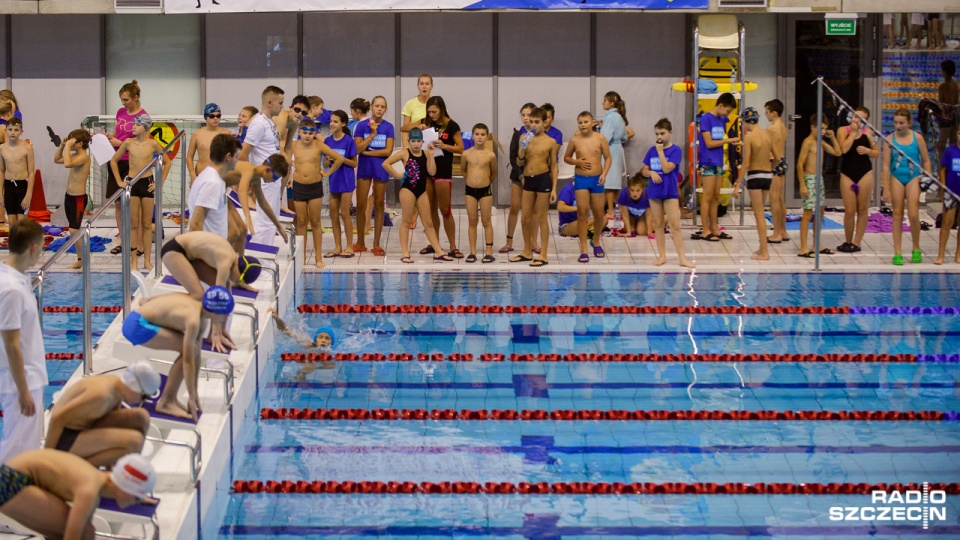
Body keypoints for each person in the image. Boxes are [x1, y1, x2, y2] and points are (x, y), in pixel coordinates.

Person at [123, 287, 234, 420]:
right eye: (224, 315)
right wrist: (191, 398)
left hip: (138, 319)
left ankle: (170, 399)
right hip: (136, 325)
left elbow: (196, 356)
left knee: (192, 349)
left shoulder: (201, 313)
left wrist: (195, 392)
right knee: (187, 350)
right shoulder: (193, 320)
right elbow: (188, 360)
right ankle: (166, 402)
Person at [0, 450, 156, 539]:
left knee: (74, 534)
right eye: (136, 496)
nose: (137, 501)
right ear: (125, 487)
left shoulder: (98, 481)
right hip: (11, 481)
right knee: (86, 532)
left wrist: (140, 495)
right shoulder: (89, 490)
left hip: (15, 477)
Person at [44, 362, 158, 468]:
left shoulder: (117, 387)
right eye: (144, 397)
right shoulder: (101, 395)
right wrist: (47, 460)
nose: (142, 401)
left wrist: (109, 467)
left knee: (140, 417)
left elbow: (110, 422)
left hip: (85, 427)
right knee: (134, 442)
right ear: (136, 389)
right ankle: (78, 469)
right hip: (66, 438)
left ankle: (121, 470)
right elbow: (57, 418)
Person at [0, 220, 47, 465]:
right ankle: (9, 500)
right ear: (32, 249)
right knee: (18, 452)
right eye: (41, 248)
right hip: (21, 381)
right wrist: (23, 391)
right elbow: (11, 344)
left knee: (24, 449)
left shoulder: (14, 278)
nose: (41, 255)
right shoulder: (11, 289)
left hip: (26, 377)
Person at [110, 114, 172, 271]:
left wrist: (159, 183)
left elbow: (167, 162)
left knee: (146, 225)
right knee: (133, 224)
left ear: (146, 127)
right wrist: (119, 181)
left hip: (147, 183)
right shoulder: (128, 143)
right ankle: (133, 261)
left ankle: (147, 260)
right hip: (132, 183)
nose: (133, 127)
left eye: (136, 125)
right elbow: (113, 161)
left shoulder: (153, 144)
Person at [382, 127, 451, 263]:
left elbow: (432, 172)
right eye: (413, 141)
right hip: (407, 190)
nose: (416, 144)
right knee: (406, 222)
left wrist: (431, 156)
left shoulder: (426, 154)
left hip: (422, 191)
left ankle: (438, 251)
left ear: (422, 142)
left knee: (429, 223)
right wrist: (398, 175)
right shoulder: (404, 154)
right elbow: (386, 163)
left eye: (419, 141)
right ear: (409, 142)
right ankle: (405, 253)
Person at [640, 118, 694, 268]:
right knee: (657, 223)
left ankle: (682, 258)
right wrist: (650, 172)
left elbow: (666, 169)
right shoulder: (651, 150)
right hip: (655, 191)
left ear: (670, 133)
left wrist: (660, 152)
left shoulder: (676, 150)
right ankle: (662, 256)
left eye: (662, 133)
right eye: (657, 134)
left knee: (675, 224)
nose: (659, 137)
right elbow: (643, 170)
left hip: (670, 191)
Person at [290, 118, 343, 268]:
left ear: (315, 133)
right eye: (304, 132)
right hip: (299, 185)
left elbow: (338, 158)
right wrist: (289, 172)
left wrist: (328, 172)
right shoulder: (293, 145)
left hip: (315, 186)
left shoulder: (319, 145)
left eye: (310, 133)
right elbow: (283, 156)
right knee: (301, 221)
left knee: (315, 222)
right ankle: (302, 256)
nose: (307, 135)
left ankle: (318, 257)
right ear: (299, 132)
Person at [883, 108, 931, 266]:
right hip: (896, 177)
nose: (898, 126)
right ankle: (897, 252)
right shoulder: (889, 139)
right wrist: (886, 188)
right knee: (897, 214)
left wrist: (926, 179)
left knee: (914, 215)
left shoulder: (917, 138)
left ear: (909, 123)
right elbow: (885, 166)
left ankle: (916, 248)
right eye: (896, 122)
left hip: (913, 178)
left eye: (902, 123)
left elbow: (926, 160)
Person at [511, 107, 558, 267]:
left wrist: (554, 189)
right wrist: (522, 149)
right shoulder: (524, 137)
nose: (533, 125)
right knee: (525, 218)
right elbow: (518, 163)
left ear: (544, 122)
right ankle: (527, 251)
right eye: (531, 122)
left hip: (543, 179)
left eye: (536, 122)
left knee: (541, 217)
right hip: (528, 180)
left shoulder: (550, 142)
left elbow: (554, 166)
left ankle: (543, 254)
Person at [239, 86, 285, 247]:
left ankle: (264, 257)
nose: (282, 107)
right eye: (280, 103)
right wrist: (251, 178)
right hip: (264, 179)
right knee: (264, 223)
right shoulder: (258, 124)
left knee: (270, 222)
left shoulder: (268, 122)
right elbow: (243, 154)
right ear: (270, 102)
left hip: (272, 179)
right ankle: (261, 260)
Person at [564, 111, 611, 263]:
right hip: (581, 179)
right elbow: (566, 157)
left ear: (592, 123)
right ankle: (583, 249)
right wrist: (576, 162)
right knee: (582, 212)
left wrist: (604, 173)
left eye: (585, 122)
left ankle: (596, 242)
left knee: (598, 214)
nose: (583, 125)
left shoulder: (600, 138)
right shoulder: (575, 140)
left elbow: (608, 157)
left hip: (597, 179)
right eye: (580, 122)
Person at [419, 96, 463, 258]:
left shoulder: (452, 125)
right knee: (430, 210)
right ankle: (434, 244)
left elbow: (461, 148)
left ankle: (453, 246)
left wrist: (444, 146)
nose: (432, 115)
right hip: (428, 170)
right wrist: (419, 126)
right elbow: (405, 128)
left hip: (443, 172)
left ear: (442, 109)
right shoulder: (426, 123)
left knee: (445, 210)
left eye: (435, 112)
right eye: (429, 112)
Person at [107, 80, 147, 255]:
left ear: (136, 98)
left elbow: (144, 142)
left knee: (133, 205)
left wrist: (120, 142)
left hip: (132, 162)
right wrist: (110, 138)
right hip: (117, 159)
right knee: (118, 203)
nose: (123, 104)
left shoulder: (143, 116)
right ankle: (123, 241)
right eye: (121, 100)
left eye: (126, 100)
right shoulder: (120, 112)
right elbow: (117, 133)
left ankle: (138, 244)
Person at [353, 96, 395, 257]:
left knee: (378, 204)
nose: (379, 109)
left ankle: (376, 244)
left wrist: (368, 151)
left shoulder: (389, 127)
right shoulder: (362, 126)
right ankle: (360, 242)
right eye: (377, 106)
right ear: (371, 107)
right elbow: (357, 148)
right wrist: (371, 135)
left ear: (385, 109)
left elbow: (387, 151)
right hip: (364, 168)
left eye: (382, 106)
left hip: (380, 169)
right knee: (361, 204)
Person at [796, 116, 842, 258]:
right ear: (813, 127)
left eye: (825, 128)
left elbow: (838, 152)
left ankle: (816, 244)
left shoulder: (820, 142)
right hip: (809, 179)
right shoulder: (808, 142)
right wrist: (802, 185)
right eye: (821, 128)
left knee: (820, 211)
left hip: (819, 179)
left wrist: (833, 137)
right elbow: (799, 164)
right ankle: (803, 247)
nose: (823, 131)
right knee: (808, 213)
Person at [696, 93, 740, 242]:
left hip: (718, 162)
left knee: (716, 196)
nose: (728, 114)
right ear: (720, 106)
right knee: (707, 196)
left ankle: (714, 227)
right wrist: (728, 140)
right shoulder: (706, 119)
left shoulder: (722, 119)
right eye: (727, 111)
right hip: (708, 161)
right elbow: (709, 143)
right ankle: (705, 229)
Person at [836, 107, 879, 254]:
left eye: (860, 119)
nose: (856, 120)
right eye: (855, 116)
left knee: (862, 210)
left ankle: (856, 242)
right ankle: (847, 240)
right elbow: (843, 150)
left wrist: (868, 151)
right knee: (849, 210)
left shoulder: (868, 133)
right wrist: (853, 133)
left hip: (865, 173)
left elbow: (876, 153)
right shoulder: (843, 130)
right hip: (847, 172)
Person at [739, 107, 779, 261]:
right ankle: (762, 248)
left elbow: (746, 162)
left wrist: (737, 185)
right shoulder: (767, 134)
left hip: (755, 176)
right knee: (760, 212)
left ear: (745, 121)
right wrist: (771, 169)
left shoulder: (749, 137)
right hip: (767, 175)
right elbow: (777, 157)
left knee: (759, 215)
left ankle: (765, 253)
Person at [500, 102, 536, 254]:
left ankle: (534, 242)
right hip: (518, 176)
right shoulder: (517, 134)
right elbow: (513, 157)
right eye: (523, 115)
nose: (526, 118)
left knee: (533, 211)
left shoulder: (539, 134)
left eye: (529, 115)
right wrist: (521, 176)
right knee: (515, 207)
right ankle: (509, 241)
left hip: (534, 175)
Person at [54, 129, 93, 270]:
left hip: (78, 198)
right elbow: (57, 159)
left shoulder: (84, 157)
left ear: (80, 143)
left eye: (73, 141)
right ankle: (80, 260)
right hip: (69, 196)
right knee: (73, 230)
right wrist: (63, 145)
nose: (70, 142)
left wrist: (68, 147)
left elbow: (67, 164)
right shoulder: (75, 155)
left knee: (73, 230)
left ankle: (84, 260)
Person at [323, 110, 359, 259]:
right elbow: (325, 163)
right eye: (331, 121)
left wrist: (340, 159)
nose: (332, 124)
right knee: (333, 213)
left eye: (335, 121)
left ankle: (349, 246)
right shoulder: (327, 141)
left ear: (343, 124)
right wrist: (329, 160)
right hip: (334, 180)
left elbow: (354, 163)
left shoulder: (348, 141)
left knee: (344, 213)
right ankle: (338, 247)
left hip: (346, 179)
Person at [461, 123, 497, 263]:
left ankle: (489, 252)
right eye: (477, 134)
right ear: (473, 135)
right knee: (472, 221)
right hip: (470, 190)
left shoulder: (490, 155)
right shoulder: (466, 153)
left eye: (483, 134)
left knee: (486, 221)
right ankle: (472, 252)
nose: (480, 137)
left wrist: (484, 182)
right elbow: (463, 171)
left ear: (487, 137)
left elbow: (493, 173)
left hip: (485, 190)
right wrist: (472, 180)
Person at [267, 308, 335, 379]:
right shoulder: (308, 343)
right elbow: (285, 330)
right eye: (320, 337)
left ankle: (300, 378)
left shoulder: (328, 353)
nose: (323, 340)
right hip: (298, 357)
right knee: (311, 366)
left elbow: (331, 366)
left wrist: (318, 369)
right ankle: (299, 376)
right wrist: (277, 319)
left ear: (331, 342)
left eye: (327, 338)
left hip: (308, 362)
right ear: (316, 340)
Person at [0, 118, 35, 226]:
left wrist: (28, 194)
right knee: (11, 221)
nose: (13, 132)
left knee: (22, 222)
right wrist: (0, 193)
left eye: (16, 130)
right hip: (9, 185)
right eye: (10, 129)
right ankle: (13, 243)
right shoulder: (2, 148)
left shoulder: (27, 148)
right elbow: (1, 171)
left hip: (22, 186)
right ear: (6, 130)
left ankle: (23, 242)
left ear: (21, 132)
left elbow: (31, 173)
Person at [600, 92, 629, 222]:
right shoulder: (619, 117)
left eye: (605, 101)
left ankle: (611, 211)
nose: (602, 103)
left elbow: (605, 137)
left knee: (608, 183)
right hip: (618, 149)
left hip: (610, 150)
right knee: (615, 182)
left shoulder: (610, 117)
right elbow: (624, 137)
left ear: (611, 103)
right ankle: (622, 209)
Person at [187, 103, 231, 186]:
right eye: (212, 116)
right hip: (201, 176)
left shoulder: (226, 133)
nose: (215, 118)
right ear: (206, 117)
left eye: (218, 116)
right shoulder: (197, 134)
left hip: (220, 177)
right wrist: (192, 175)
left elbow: (232, 157)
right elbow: (189, 156)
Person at [765, 99, 789, 244]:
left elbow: (768, 148)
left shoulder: (772, 129)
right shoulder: (783, 127)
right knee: (780, 199)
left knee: (773, 199)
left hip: (773, 163)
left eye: (767, 112)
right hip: (782, 161)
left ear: (774, 113)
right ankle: (783, 231)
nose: (766, 114)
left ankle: (776, 233)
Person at [937, 124, 960, 265]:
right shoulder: (950, 151)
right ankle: (941, 255)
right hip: (951, 192)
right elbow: (942, 169)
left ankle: (958, 253)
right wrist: (943, 187)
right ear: (957, 134)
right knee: (946, 222)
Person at [937, 60, 958, 159]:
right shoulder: (955, 82)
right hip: (956, 116)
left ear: (945, 72)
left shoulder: (943, 86)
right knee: (953, 143)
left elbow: (941, 104)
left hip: (946, 118)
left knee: (941, 145)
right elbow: (956, 100)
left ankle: (942, 167)